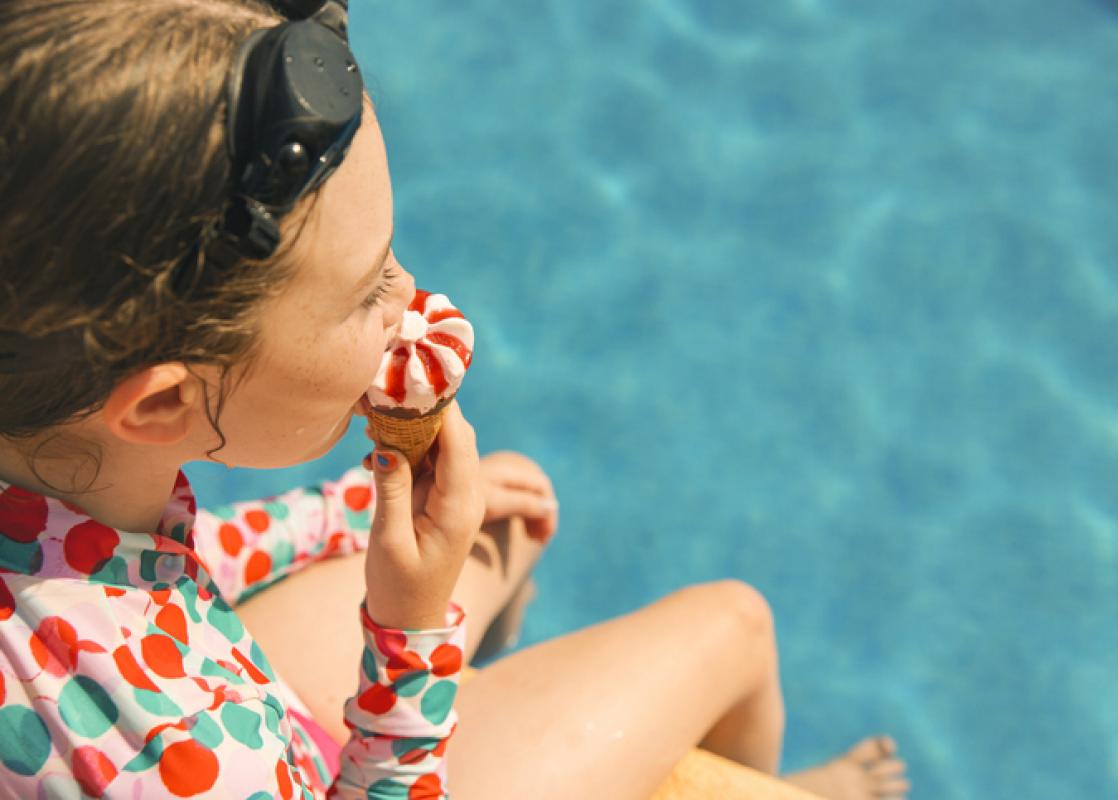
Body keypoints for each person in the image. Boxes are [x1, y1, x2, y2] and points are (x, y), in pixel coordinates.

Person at [0, 1, 911, 798]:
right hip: (314, 766)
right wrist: (410, 631)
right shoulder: (173, 768)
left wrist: (337, 511)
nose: (412, 299)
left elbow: (148, 566)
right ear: (160, 409)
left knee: (504, 506)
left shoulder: (53, 469)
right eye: (367, 291)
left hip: (216, 679)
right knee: (733, 624)